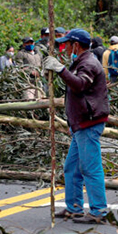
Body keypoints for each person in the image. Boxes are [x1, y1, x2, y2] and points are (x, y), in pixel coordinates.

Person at [46, 28, 110, 224]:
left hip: (89, 122)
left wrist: (60, 70)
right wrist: (72, 122)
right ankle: (74, 207)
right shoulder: (80, 62)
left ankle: (99, 210)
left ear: (76, 45)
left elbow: (80, 85)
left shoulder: (89, 63)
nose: (64, 48)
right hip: (80, 123)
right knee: (72, 168)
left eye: (67, 44)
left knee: (90, 168)